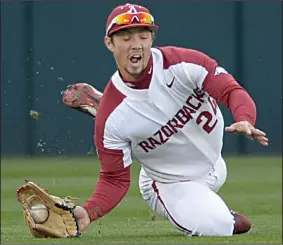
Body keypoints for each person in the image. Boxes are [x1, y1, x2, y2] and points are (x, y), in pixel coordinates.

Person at [62, 3, 268, 237]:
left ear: (152, 38)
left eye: (143, 35)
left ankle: (117, 111)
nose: (136, 44)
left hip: (214, 164)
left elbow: (231, 91)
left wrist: (245, 118)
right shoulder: (113, 117)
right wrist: (88, 212)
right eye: (126, 38)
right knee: (222, 227)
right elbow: (114, 179)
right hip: (168, 182)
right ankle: (213, 212)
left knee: (133, 116)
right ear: (110, 43)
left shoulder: (182, 63)